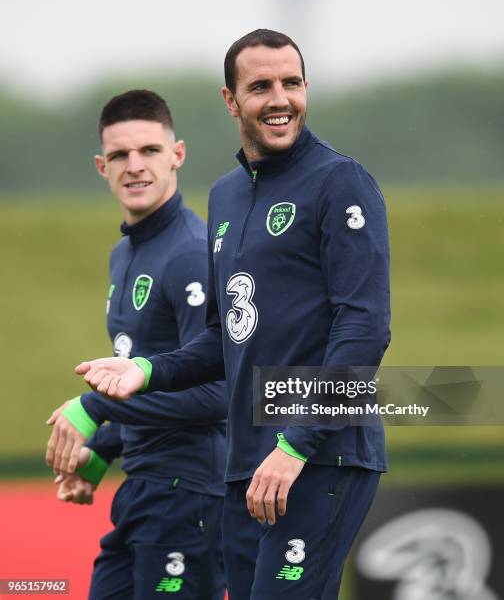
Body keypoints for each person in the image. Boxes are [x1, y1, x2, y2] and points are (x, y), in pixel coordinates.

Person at [76, 30, 391, 599]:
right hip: (246, 466)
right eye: (261, 86)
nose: (280, 99)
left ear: (305, 88)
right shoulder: (225, 196)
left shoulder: (340, 182)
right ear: (230, 100)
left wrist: (295, 445)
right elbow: (225, 338)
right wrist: (147, 371)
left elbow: (364, 331)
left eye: (291, 83)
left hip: (321, 454)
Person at [45, 89, 228, 600]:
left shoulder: (192, 253)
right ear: (102, 166)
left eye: (149, 150)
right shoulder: (123, 254)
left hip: (190, 492)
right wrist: (101, 453)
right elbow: (141, 379)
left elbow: (221, 394)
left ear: (178, 155)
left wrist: (95, 408)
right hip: (143, 491)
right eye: (120, 155)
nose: (135, 166)